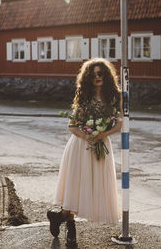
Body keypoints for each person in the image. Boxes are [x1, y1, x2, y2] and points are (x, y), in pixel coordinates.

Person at [47, 58, 122, 246]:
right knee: (75, 186)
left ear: (106, 75)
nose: (97, 77)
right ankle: (70, 230)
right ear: (88, 77)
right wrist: (87, 136)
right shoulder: (84, 96)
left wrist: (102, 133)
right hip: (80, 146)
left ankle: (58, 217)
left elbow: (120, 123)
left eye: (101, 73)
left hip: (101, 146)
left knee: (89, 187)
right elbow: (72, 125)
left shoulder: (115, 96)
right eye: (93, 74)